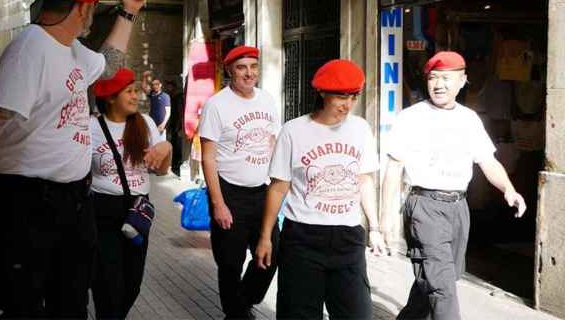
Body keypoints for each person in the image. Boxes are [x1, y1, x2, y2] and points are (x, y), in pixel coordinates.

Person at [0, 0, 147, 318]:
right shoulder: (30, 48)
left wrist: (128, 12)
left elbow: (109, 65)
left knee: (71, 304)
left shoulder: (74, 50)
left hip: (75, 201)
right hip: (28, 202)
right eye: (92, 8)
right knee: (24, 305)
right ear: (82, 8)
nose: (91, 17)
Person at [380, 51, 527, 320]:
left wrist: (508, 189)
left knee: (436, 281)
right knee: (442, 288)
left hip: (459, 208)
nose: (439, 85)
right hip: (424, 207)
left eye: (446, 78)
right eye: (433, 78)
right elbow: (393, 169)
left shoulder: (469, 119)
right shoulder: (411, 117)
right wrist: (384, 223)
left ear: (463, 81)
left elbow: (487, 161)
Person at [255, 59, 386, 320]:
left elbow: (364, 181)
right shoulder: (293, 131)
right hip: (302, 238)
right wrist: (266, 237)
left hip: (348, 238)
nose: (347, 104)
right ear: (322, 93)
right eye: (340, 96)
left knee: (357, 315)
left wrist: (375, 228)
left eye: (353, 96)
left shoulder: (361, 129)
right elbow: (278, 188)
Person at [199, 46, 281, 320]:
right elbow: (208, 158)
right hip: (229, 193)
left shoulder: (268, 100)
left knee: (272, 254)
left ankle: (242, 301)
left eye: (253, 67)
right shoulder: (217, 105)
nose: (249, 73)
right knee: (230, 264)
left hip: (261, 192)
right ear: (230, 71)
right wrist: (218, 204)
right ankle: (237, 313)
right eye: (242, 67)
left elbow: (271, 141)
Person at [89, 68, 171, 319]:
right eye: (130, 91)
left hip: (138, 210)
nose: (136, 96)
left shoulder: (144, 123)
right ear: (111, 97)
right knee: (107, 284)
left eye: (136, 90)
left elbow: (162, 169)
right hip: (102, 211)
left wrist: (165, 147)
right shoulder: (91, 127)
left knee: (132, 284)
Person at [141, 71, 171, 139]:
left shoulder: (165, 96)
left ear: (160, 85)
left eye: (157, 84)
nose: (155, 86)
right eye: (153, 84)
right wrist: (144, 76)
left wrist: (163, 124)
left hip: (161, 127)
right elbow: (143, 87)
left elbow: (168, 113)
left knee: (161, 146)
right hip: (152, 125)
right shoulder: (152, 94)